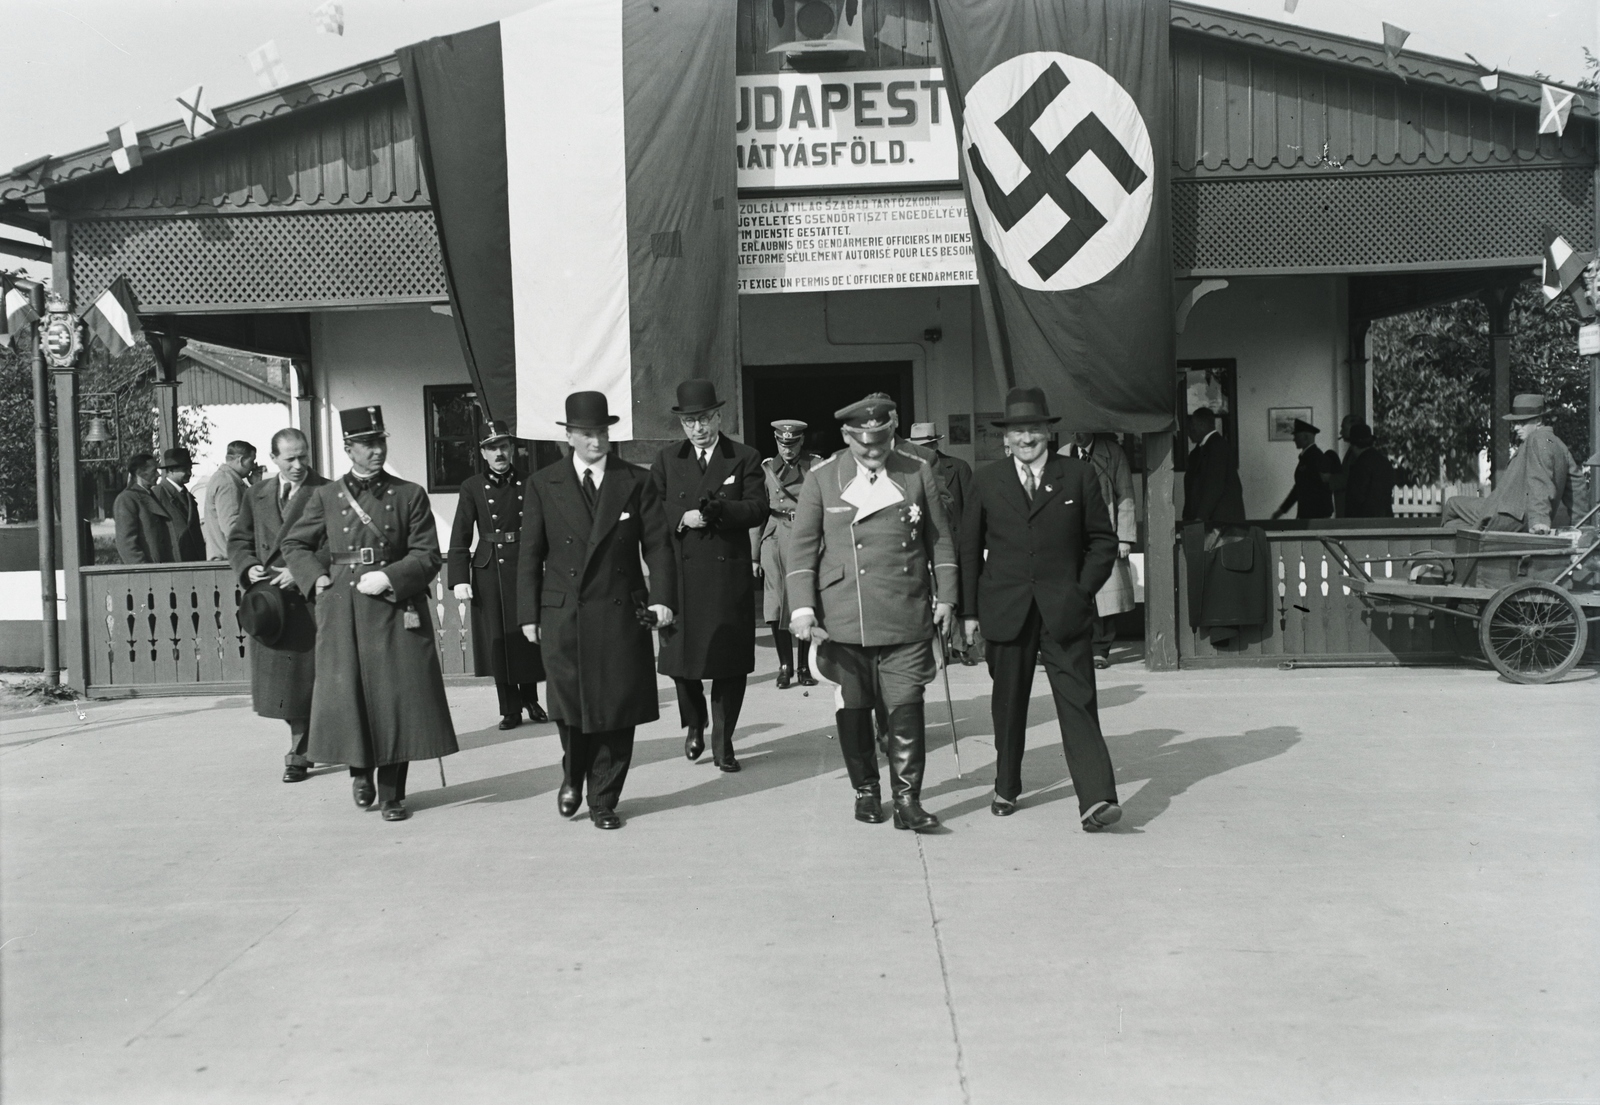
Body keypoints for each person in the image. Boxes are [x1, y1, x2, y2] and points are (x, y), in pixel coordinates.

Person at [787, 393, 957, 832]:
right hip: (846, 614)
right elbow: (803, 548)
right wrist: (803, 608)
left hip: (904, 608)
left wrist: (948, 597)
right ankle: (866, 789)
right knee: (855, 706)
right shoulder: (824, 478)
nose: (873, 449)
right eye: (863, 443)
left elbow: (939, 539)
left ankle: (907, 801)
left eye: (881, 440)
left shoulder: (917, 470)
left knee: (906, 704)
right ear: (847, 436)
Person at [281, 405, 459, 822]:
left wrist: (392, 577)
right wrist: (318, 581)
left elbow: (428, 554)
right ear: (349, 449)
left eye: (379, 442)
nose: (376, 451)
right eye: (366, 444)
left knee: (398, 698)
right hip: (343, 607)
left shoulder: (409, 493)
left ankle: (392, 792)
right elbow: (294, 545)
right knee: (349, 696)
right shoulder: (325, 496)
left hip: (397, 608)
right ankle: (360, 774)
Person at [960, 388, 1122, 828]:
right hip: (1005, 611)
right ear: (1005, 439)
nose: (1026, 437)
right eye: (1017, 431)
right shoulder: (987, 479)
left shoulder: (1078, 475)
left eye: (1034, 429)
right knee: (1008, 705)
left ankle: (1097, 798)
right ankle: (1006, 786)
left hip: (1063, 612)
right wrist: (968, 614)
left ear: (1049, 433)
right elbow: (970, 550)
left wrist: (1081, 591)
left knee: (1079, 701)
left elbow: (1102, 542)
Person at [518, 391, 676, 829]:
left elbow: (659, 544)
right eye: (587, 434)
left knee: (617, 707)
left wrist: (662, 597)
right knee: (569, 704)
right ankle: (572, 773)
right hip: (564, 611)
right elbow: (530, 554)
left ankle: (603, 798)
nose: (596, 441)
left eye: (602, 432)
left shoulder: (635, 480)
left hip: (620, 610)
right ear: (568, 436)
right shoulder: (543, 483)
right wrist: (528, 614)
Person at [651, 380, 766, 771]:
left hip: (725, 578)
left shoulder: (744, 456)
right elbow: (651, 509)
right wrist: (681, 517)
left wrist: (722, 512)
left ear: (719, 416)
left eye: (704, 419)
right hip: (681, 575)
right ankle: (695, 721)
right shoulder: (667, 460)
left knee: (728, 664)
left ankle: (723, 741)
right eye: (690, 422)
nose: (698, 428)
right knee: (680, 665)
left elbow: (757, 508)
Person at [228, 428, 329, 783]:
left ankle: (298, 753)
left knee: (307, 681)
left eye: (303, 456)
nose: (299, 464)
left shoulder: (327, 490)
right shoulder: (256, 494)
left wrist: (301, 571)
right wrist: (246, 564)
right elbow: (238, 539)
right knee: (286, 686)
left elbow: (337, 544)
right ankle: (306, 743)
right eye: (290, 458)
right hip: (270, 603)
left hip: (309, 602)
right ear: (274, 459)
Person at [447, 421, 547, 731]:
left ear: (513, 448)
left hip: (525, 564)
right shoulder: (473, 486)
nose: (500, 453)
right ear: (483, 453)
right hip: (490, 569)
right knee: (499, 640)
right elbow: (461, 533)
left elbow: (545, 528)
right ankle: (509, 708)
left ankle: (531, 699)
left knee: (527, 635)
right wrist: (459, 576)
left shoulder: (531, 483)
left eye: (504, 445)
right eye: (492, 447)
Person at [1441, 394, 1588, 533]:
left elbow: (1540, 479)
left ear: (1538, 421)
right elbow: (1577, 487)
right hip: (1514, 515)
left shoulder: (1537, 439)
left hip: (1509, 515)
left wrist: (1539, 520)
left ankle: (1443, 556)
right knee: (1453, 526)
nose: (1516, 428)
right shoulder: (1560, 446)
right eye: (1515, 423)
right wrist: (1583, 526)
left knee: (1452, 504)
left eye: (1522, 422)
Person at [1061, 431, 1137, 669]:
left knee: (1105, 594)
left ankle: (1100, 649)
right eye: (1072, 430)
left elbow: (1125, 493)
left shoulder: (1112, 453)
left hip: (1104, 531)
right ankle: (1075, 646)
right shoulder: (1063, 453)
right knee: (1073, 592)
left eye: (1080, 429)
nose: (1076, 435)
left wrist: (1124, 538)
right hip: (1072, 534)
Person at [755, 419, 822, 689]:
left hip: (805, 535)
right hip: (774, 536)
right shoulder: (767, 469)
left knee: (803, 599)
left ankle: (805, 666)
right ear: (776, 441)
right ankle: (785, 666)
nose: (788, 449)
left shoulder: (816, 466)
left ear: (801, 441)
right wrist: (753, 555)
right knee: (776, 604)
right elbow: (757, 512)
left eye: (792, 444)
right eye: (783, 444)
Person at [907, 421, 979, 667]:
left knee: (955, 592)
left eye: (927, 445)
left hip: (954, 538)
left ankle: (962, 647)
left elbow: (971, 507)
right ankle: (937, 648)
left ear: (936, 444)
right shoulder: (907, 470)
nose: (923, 450)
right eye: (918, 445)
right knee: (929, 596)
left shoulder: (958, 467)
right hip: (923, 541)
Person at [1182, 408, 1246, 529]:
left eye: (1191, 426)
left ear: (1202, 425)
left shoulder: (1217, 447)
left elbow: (1214, 485)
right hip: (1207, 522)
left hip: (1220, 523)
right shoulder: (1197, 452)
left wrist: (1199, 518)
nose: (1189, 432)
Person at [113, 452, 175, 564]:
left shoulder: (149, 495)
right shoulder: (126, 499)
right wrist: (143, 570)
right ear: (140, 473)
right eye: (154, 471)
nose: (158, 475)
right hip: (146, 573)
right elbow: (126, 544)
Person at [1271, 418, 1337, 520]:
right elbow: (1300, 487)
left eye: (1296, 436)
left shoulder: (1315, 457)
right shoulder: (1309, 457)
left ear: (1305, 437)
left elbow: (1321, 489)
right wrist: (1281, 511)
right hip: (1311, 514)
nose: (1294, 439)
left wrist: (1281, 511)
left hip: (1316, 515)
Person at [202, 440, 256, 560]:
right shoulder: (228, 483)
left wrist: (256, 485)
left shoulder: (223, 478)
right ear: (241, 460)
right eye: (251, 461)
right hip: (230, 559)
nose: (253, 467)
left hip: (225, 557)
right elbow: (232, 526)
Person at [153, 447, 207, 560]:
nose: (189, 473)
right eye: (185, 469)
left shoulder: (187, 495)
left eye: (190, 469)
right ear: (171, 470)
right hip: (173, 561)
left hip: (193, 560)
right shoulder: (158, 494)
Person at [1341, 422, 1396, 518]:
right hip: (1385, 518)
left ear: (1353, 445)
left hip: (1364, 521)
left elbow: (1356, 498)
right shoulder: (1384, 461)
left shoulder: (1359, 465)